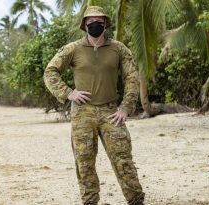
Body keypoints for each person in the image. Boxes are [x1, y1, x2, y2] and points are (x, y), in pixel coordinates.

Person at [43, 6, 145, 205]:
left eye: (98, 21)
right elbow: (50, 71)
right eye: (90, 21)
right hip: (82, 113)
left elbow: (132, 77)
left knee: (123, 159)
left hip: (111, 111)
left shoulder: (119, 48)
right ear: (85, 25)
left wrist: (125, 107)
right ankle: (90, 201)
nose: (94, 24)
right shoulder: (73, 49)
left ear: (105, 23)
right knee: (84, 161)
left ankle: (136, 200)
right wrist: (68, 93)